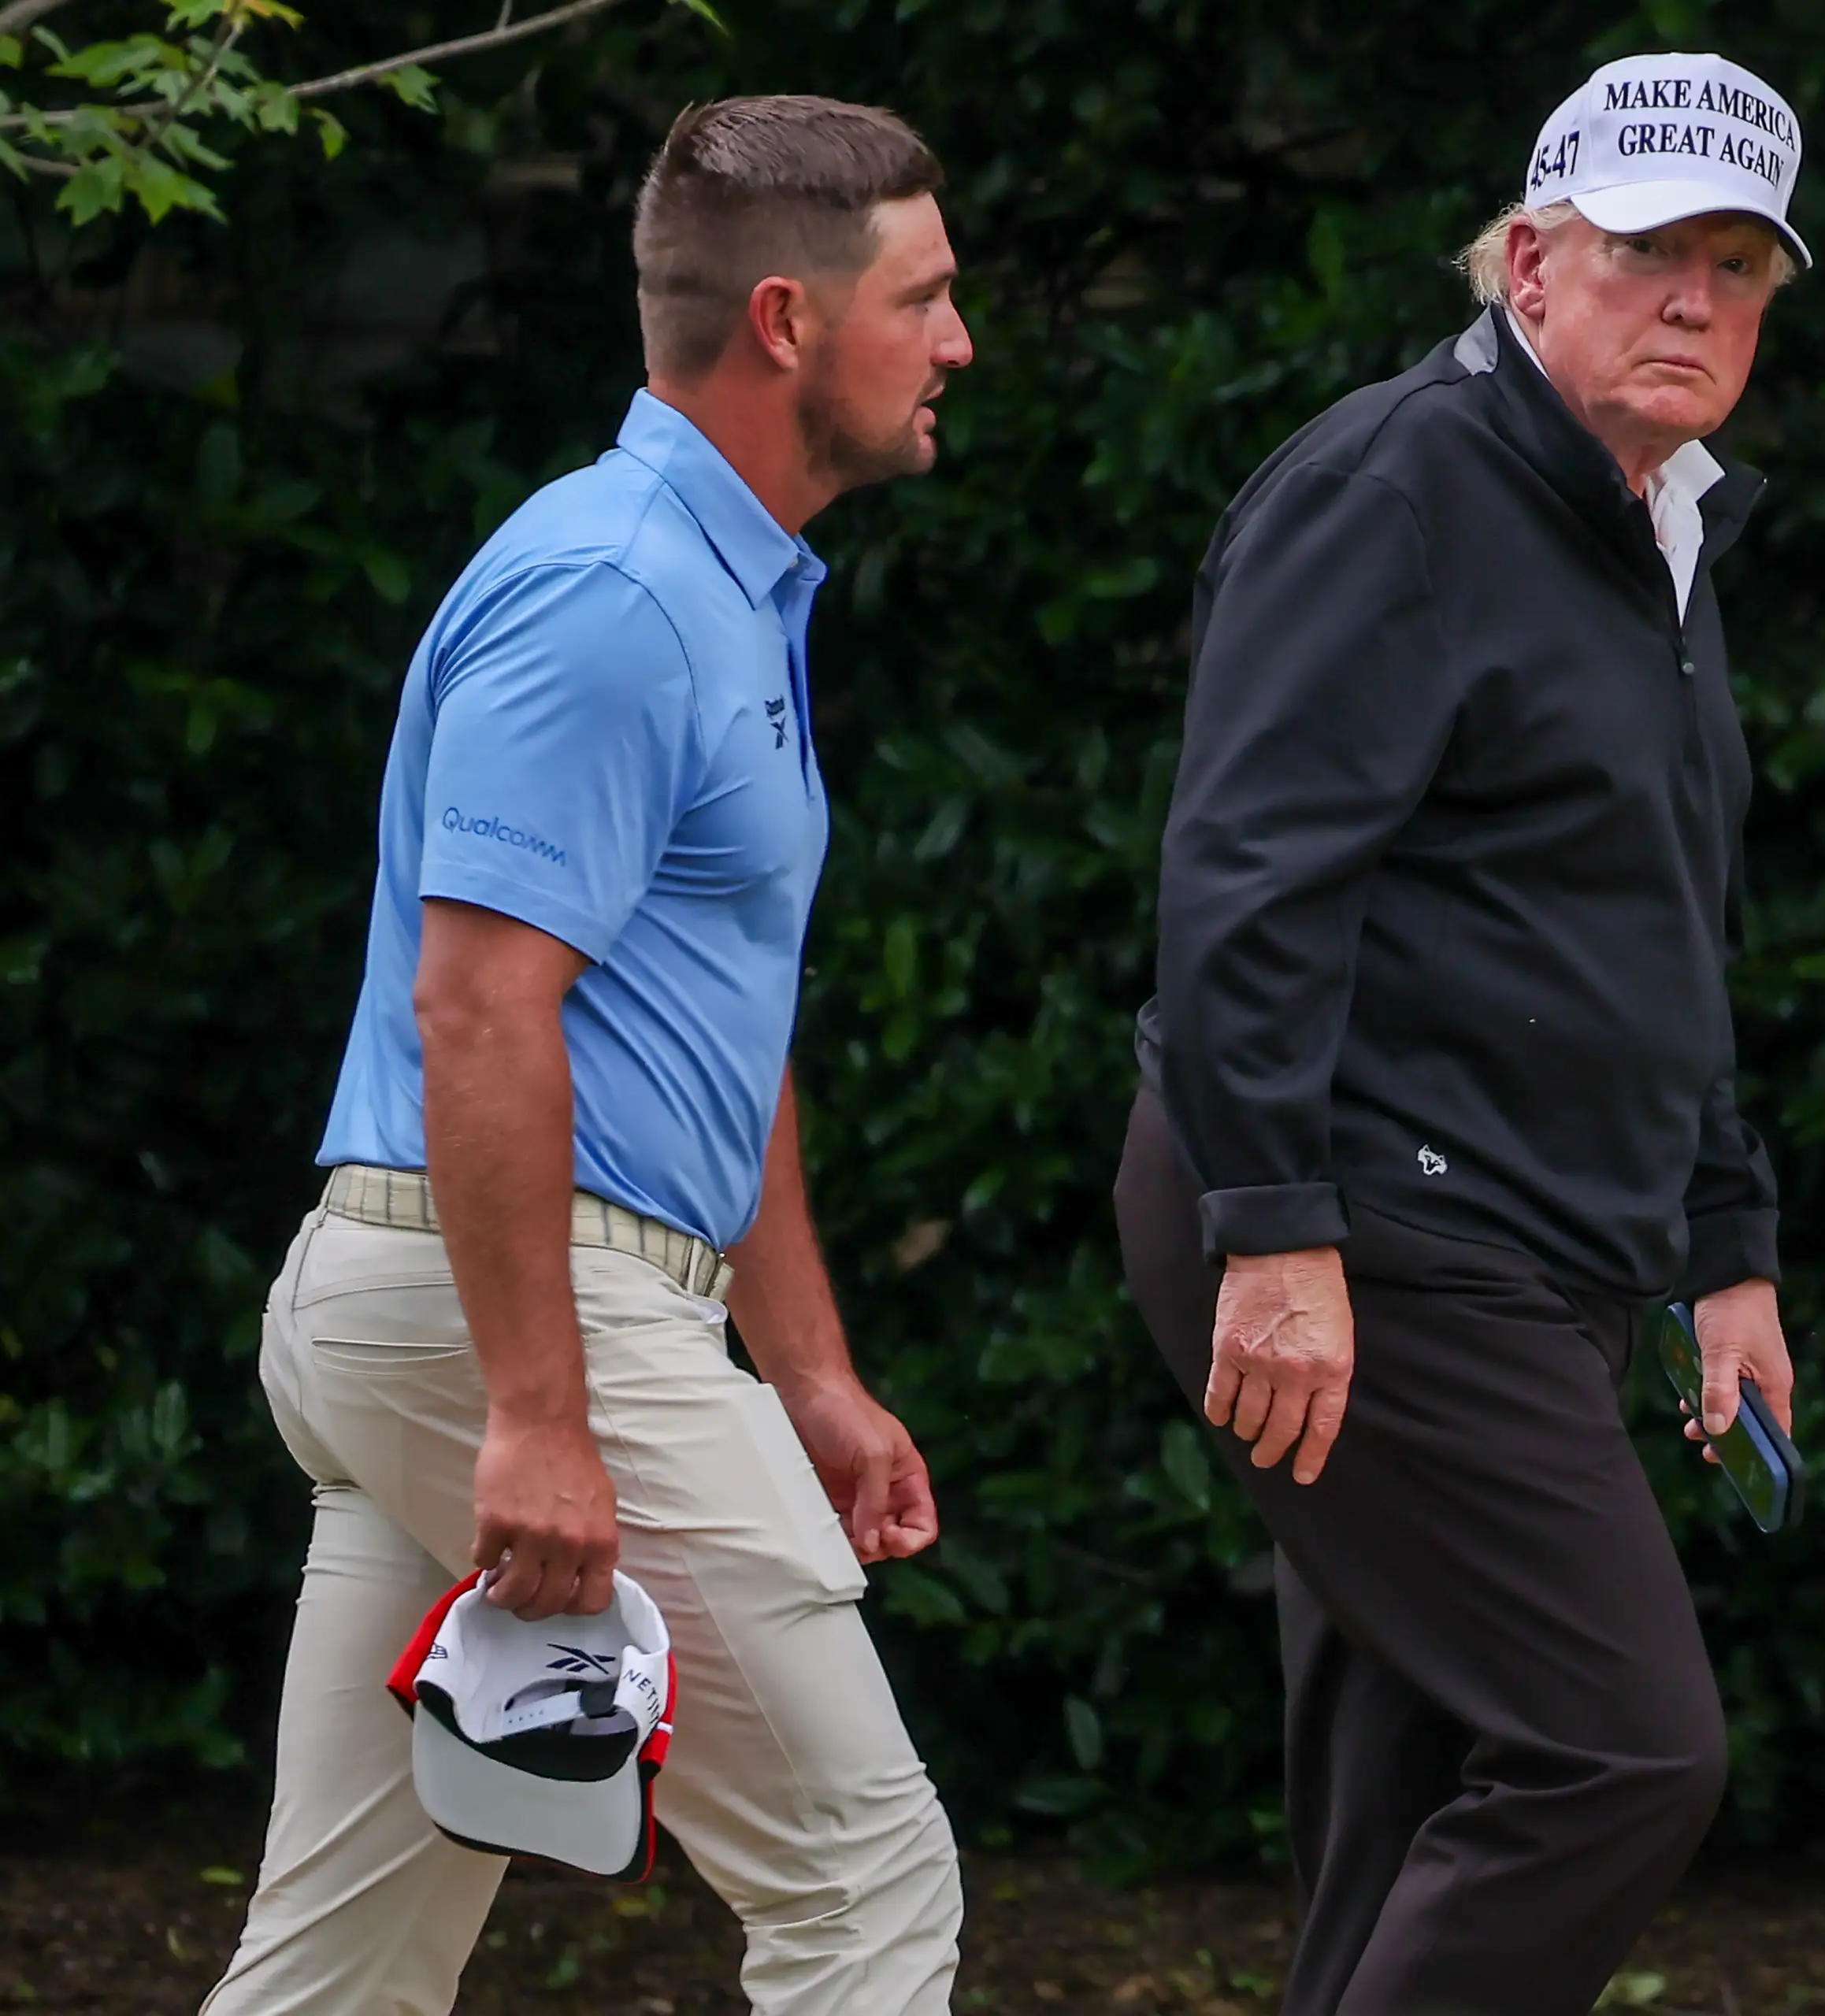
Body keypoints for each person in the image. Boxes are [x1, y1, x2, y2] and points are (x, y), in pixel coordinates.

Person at [205, 95, 975, 2016]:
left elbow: (724, 1016)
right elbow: (478, 1007)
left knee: (339, 1971)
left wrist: (806, 1366)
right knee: (867, 1884)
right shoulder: (615, 592)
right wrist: (541, 1410)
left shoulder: (727, 591)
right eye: (929, 296)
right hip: (517, 1305)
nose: (960, 341)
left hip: (489, 1298)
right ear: (788, 322)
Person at [1114, 50, 1813, 2016]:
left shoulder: (1651, 524)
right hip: (1366, 1227)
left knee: (1410, 1783)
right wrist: (1273, 1225)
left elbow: (1655, 917)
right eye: (1647, 248)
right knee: (1623, 1749)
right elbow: (1247, 878)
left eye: (1739, 265)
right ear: (1528, 258)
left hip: (1518, 1239)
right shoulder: (1395, 486)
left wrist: (1725, 1242)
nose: (1695, 298)